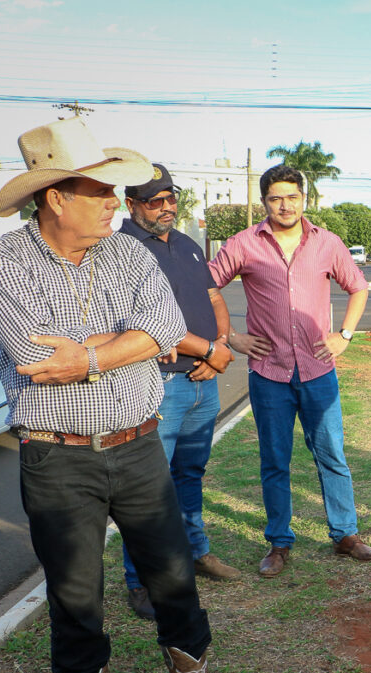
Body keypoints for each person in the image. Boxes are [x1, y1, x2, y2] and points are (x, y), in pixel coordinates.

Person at [0, 117, 248, 673]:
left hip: (138, 445)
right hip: (57, 456)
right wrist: (123, 342)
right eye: (99, 190)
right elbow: (38, 360)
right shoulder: (2, 262)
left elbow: (161, 327)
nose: (113, 203)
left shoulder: (129, 254)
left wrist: (91, 351)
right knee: (75, 596)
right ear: (55, 198)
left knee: (173, 577)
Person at [210, 164, 371, 578]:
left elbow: (358, 286)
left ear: (305, 199)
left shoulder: (327, 243)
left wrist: (346, 335)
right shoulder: (244, 243)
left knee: (332, 455)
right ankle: (279, 543)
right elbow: (205, 285)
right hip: (269, 372)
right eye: (275, 198)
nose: (285, 205)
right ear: (264, 201)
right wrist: (232, 336)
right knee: (274, 460)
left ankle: (345, 535)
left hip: (319, 369)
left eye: (292, 197)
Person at [119, 164, 240, 621]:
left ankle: (197, 553)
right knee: (146, 490)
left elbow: (213, 299)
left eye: (171, 198)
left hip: (201, 385)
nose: (167, 207)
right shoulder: (122, 249)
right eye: (155, 200)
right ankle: (140, 580)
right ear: (132, 205)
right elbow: (146, 323)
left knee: (190, 475)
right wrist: (210, 350)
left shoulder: (187, 244)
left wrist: (220, 349)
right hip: (158, 386)